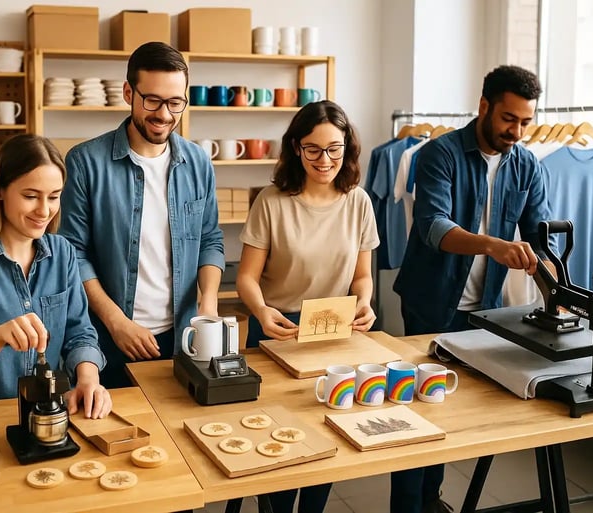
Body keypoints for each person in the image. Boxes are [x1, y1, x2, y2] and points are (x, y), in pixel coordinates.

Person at [392, 65, 556, 513]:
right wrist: (495, 247)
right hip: (429, 304)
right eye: (509, 118)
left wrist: (554, 279)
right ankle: (408, 506)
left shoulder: (526, 165)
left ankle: (432, 499)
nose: (517, 131)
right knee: (416, 414)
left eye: (525, 121)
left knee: (453, 415)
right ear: (484, 106)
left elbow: (542, 236)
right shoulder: (438, 154)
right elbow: (433, 226)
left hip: (483, 311)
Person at [237, 100, 379, 513]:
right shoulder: (271, 201)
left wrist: (365, 302)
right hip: (277, 328)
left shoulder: (359, 202)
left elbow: (362, 276)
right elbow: (246, 277)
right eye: (313, 149)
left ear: (347, 148)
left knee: (327, 432)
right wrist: (261, 311)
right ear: (296, 148)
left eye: (334, 148)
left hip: (334, 329)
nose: (325, 159)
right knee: (279, 442)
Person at [59, 42, 225, 389]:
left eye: (175, 102)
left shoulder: (198, 162)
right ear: (127, 92)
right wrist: (117, 322)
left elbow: (210, 239)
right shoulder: (85, 162)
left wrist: (207, 304)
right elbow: (73, 254)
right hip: (109, 338)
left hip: (182, 336)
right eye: (152, 100)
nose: (164, 114)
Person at [0, 134, 111, 420]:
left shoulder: (62, 252)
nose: (44, 211)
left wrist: (88, 379)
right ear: (0, 190)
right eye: (30, 196)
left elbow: (80, 333)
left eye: (54, 197)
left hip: (48, 417)